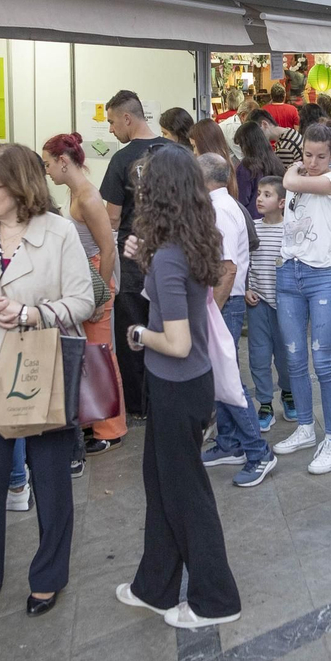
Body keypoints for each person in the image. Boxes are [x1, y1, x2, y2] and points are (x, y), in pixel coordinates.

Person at [0, 143, 93, 620]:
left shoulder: (59, 233)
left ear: (18, 188)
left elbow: (83, 301)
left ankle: (48, 577)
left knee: (50, 478)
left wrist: (30, 313)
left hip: (40, 368)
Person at [115, 143, 243, 629]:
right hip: (185, 386)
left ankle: (216, 599)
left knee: (186, 495)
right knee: (163, 486)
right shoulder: (187, 241)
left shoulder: (170, 255)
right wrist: (144, 260)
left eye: (144, 187)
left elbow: (175, 339)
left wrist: (137, 334)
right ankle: (156, 586)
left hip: (176, 384)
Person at [271, 124, 331, 474]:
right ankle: (305, 427)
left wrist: (294, 167)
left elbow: (287, 181)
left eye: (321, 155)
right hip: (289, 272)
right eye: (308, 155)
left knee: (323, 362)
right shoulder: (301, 177)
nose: (314, 161)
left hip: (322, 277)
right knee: (293, 359)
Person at [43, 132, 127, 456]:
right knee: (94, 355)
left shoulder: (88, 198)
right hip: (87, 279)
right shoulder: (77, 194)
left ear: (64, 161)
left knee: (101, 356)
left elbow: (108, 248)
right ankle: (100, 422)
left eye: (49, 164)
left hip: (95, 279)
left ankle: (111, 428)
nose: (47, 171)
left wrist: (101, 294)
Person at [197, 153, 277, 487]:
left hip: (224, 302)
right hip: (221, 301)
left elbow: (227, 268)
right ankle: (229, 443)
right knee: (220, 374)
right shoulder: (218, 207)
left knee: (228, 378)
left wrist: (211, 311)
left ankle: (259, 452)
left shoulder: (220, 211)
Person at [101, 90, 169, 419]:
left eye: (112, 122)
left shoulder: (121, 159)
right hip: (173, 254)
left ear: (128, 118)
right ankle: (168, 397)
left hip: (133, 259)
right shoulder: (178, 153)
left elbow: (112, 217)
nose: (111, 129)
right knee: (172, 327)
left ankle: (140, 407)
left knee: (134, 331)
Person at [247, 176, 295, 430]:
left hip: (286, 305)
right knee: (258, 355)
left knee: (286, 354)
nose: (260, 199)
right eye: (259, 194)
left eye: (267, 194)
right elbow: (244, 262)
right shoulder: (252, 227)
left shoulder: (291, 229)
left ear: (281, 202)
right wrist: (246, 288)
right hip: (259, 304)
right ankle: (265, 402)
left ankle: (288, 393)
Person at [234, 119, 284, 218]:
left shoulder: (246, 166)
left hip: (252, 219)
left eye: (241, 145)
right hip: (275, 216)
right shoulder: (275, 161)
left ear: (246, 145)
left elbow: (242, 199)